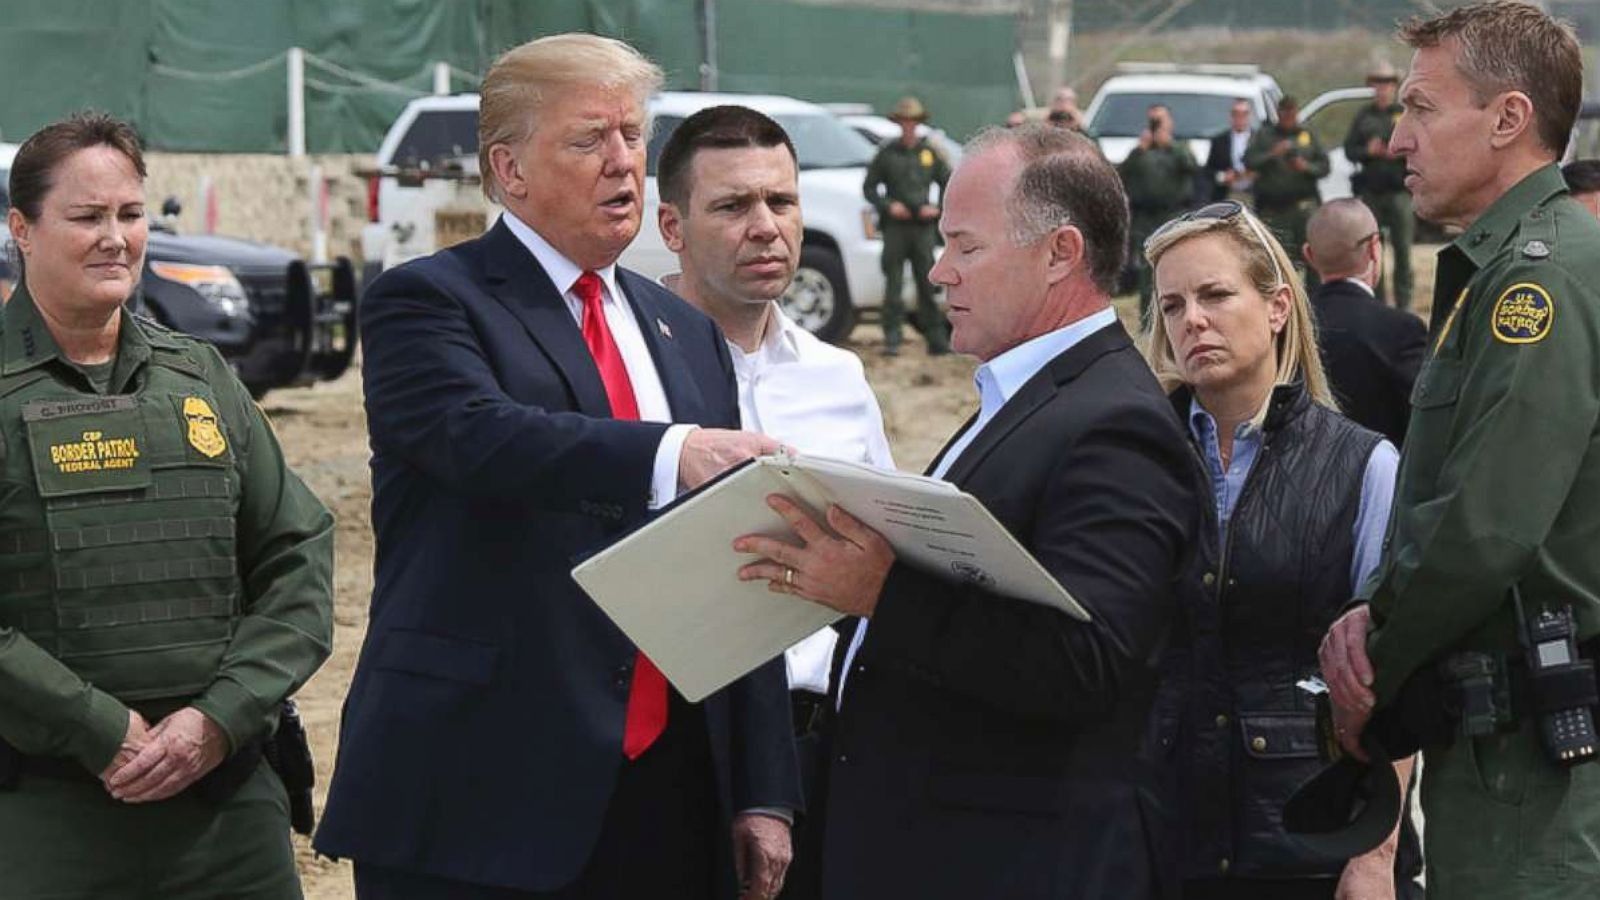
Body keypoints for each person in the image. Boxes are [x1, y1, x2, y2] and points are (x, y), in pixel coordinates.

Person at [313, 34, 802, 900]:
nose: (623, 162)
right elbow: (482, 437)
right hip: (484, 788)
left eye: (633, 135)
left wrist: (764, 789)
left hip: (669, 788)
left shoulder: (685, 331)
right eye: (588, 140)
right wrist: (672, 451)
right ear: (509, 169)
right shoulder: (429, 301)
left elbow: (736, 563)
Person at [735, 122, 1202, 899]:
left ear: (1060, 253)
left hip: (1010, 861)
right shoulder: (1026, 397)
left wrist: (880, 591)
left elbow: (1090, 664)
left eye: (966, 246)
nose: (940, 270)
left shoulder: (1114, 422)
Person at [0, 112, 334, 898]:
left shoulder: (201, 377)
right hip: (45, 816)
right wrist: (96, 726)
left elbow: (298, 557)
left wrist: (217, 719)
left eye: (131, 214)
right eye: (87, 217)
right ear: (22, 229)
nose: (115, 239)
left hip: (226, 812)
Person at [1319, 4, 1600, 897]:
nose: (1397, 139)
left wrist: (1372, 659)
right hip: (1500, 744)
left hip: (1530, 767)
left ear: (1509, 118)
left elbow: (1485, 526)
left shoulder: (1537, 282)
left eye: (1421, 108)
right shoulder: (1515, 267)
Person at [1143, 199, 1419, 899]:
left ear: (1277, 308)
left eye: (1214, 294)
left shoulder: (1363, 465)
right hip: (1165, 843)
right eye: (1172, 306)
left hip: (1313, 842)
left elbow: (1396, 670)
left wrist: (1375, 857)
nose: (1192, 320)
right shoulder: (1137, 464)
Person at [654, 104, 895, 899]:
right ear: (672, 225)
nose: (765, 227)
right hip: (679, 748)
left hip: (821, 744)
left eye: (781, 201)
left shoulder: (838, 378)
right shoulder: (628, 374)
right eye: (732, 206)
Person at [1303, 198, 1427, 447]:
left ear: (1309, 255)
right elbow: (1424, 422)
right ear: (1373, 248)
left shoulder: (1289, 327)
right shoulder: (1401, 330)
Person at [863, 96, 952, 356]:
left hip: (922, 226)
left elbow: (948, 181)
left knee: (927, 282)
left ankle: (936, 340)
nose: (909, 126)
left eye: (913, 121)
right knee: (894, 283)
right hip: (896, 227)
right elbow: (869, 187)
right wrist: (888, 205)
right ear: (899, 123)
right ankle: (892, 338)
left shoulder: (929, 152)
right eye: (904, 121)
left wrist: (937, 209)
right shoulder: (887, 153)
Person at [1344, 62, 1415, 310]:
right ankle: (1379, 305)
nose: (1383, 88)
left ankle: (1404, 305)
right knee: (1373, 253)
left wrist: (1398, 151)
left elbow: (1419, 144)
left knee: (1403, 251)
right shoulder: (1364, 116)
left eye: (1387, 83)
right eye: (1378, 83)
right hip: (1372, 192)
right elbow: (1349, 150)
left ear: (1394, 86)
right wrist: (1368, 151)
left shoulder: (1405, 114)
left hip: (1399, 192)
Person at [1120, 103, 1198, 316]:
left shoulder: (1180, 147)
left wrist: (1170, 145)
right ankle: (1148, 319)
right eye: (1153, 121)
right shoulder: (1140, 151)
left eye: (1160, 121)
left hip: (1173, 214)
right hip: (1146, 217)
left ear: (1170, 123)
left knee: (1177, 265)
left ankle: (1178, 313)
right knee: (1147, 269)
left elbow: (1192, 167)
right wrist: (1139, 150)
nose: (1157, 126)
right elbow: (1123, 175)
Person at [1245, 96, 1329, 286]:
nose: (1288, 118)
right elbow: (1249, 160)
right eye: (1284, 113)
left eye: (1292, 113)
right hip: (1273, 209)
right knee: (1276, 259)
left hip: (1303, 208)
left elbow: (1324, 166)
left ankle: (1314, 298)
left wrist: (1306, 166)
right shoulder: (1265, 135)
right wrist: (1272, 154)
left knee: (1312, 257)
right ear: (1278, 113)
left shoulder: (1308, 134)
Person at [1205, 98, 1256, 203]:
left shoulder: (1258, 139)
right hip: (1227, 194)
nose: (1240, 118)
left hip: (1254, 195)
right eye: (1236, 114)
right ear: (1231, 116)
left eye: (1244, 114)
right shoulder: (1219, 141)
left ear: (1250, 116)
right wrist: (1223, 176)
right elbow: (1208, 170)